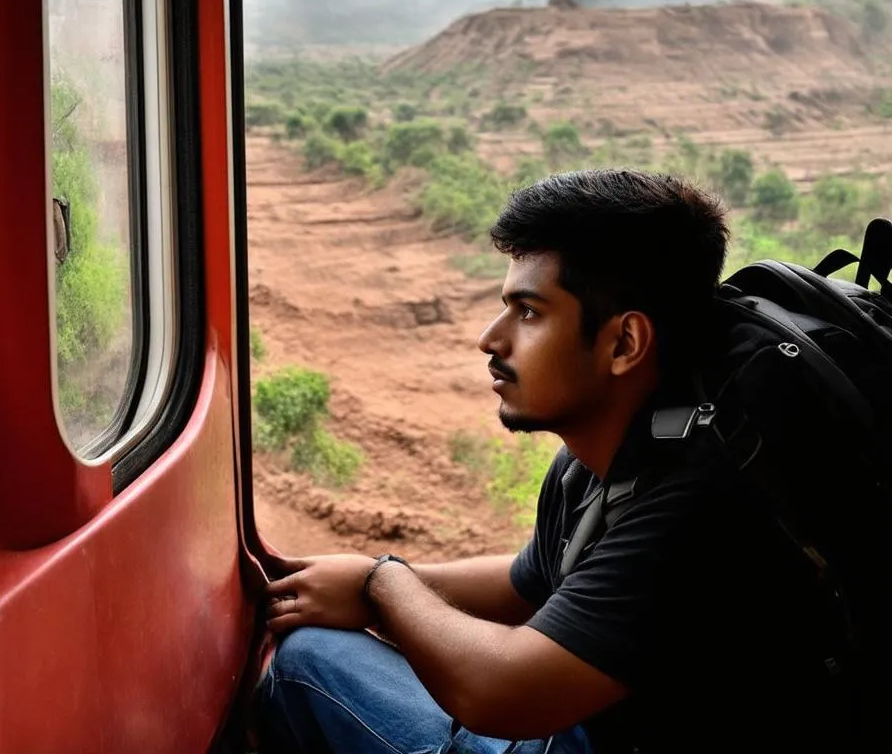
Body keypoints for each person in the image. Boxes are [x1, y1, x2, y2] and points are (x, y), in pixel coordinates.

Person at [251, 169, 843, 754]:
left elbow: (504, 693)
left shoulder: (703, 500)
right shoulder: (609, 454)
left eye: (529, 312)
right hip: (606, 731)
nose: (491, 338)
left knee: (307, 663)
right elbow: (527, 583)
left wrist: (384, 584)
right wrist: (361, 578)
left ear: (624, 344)